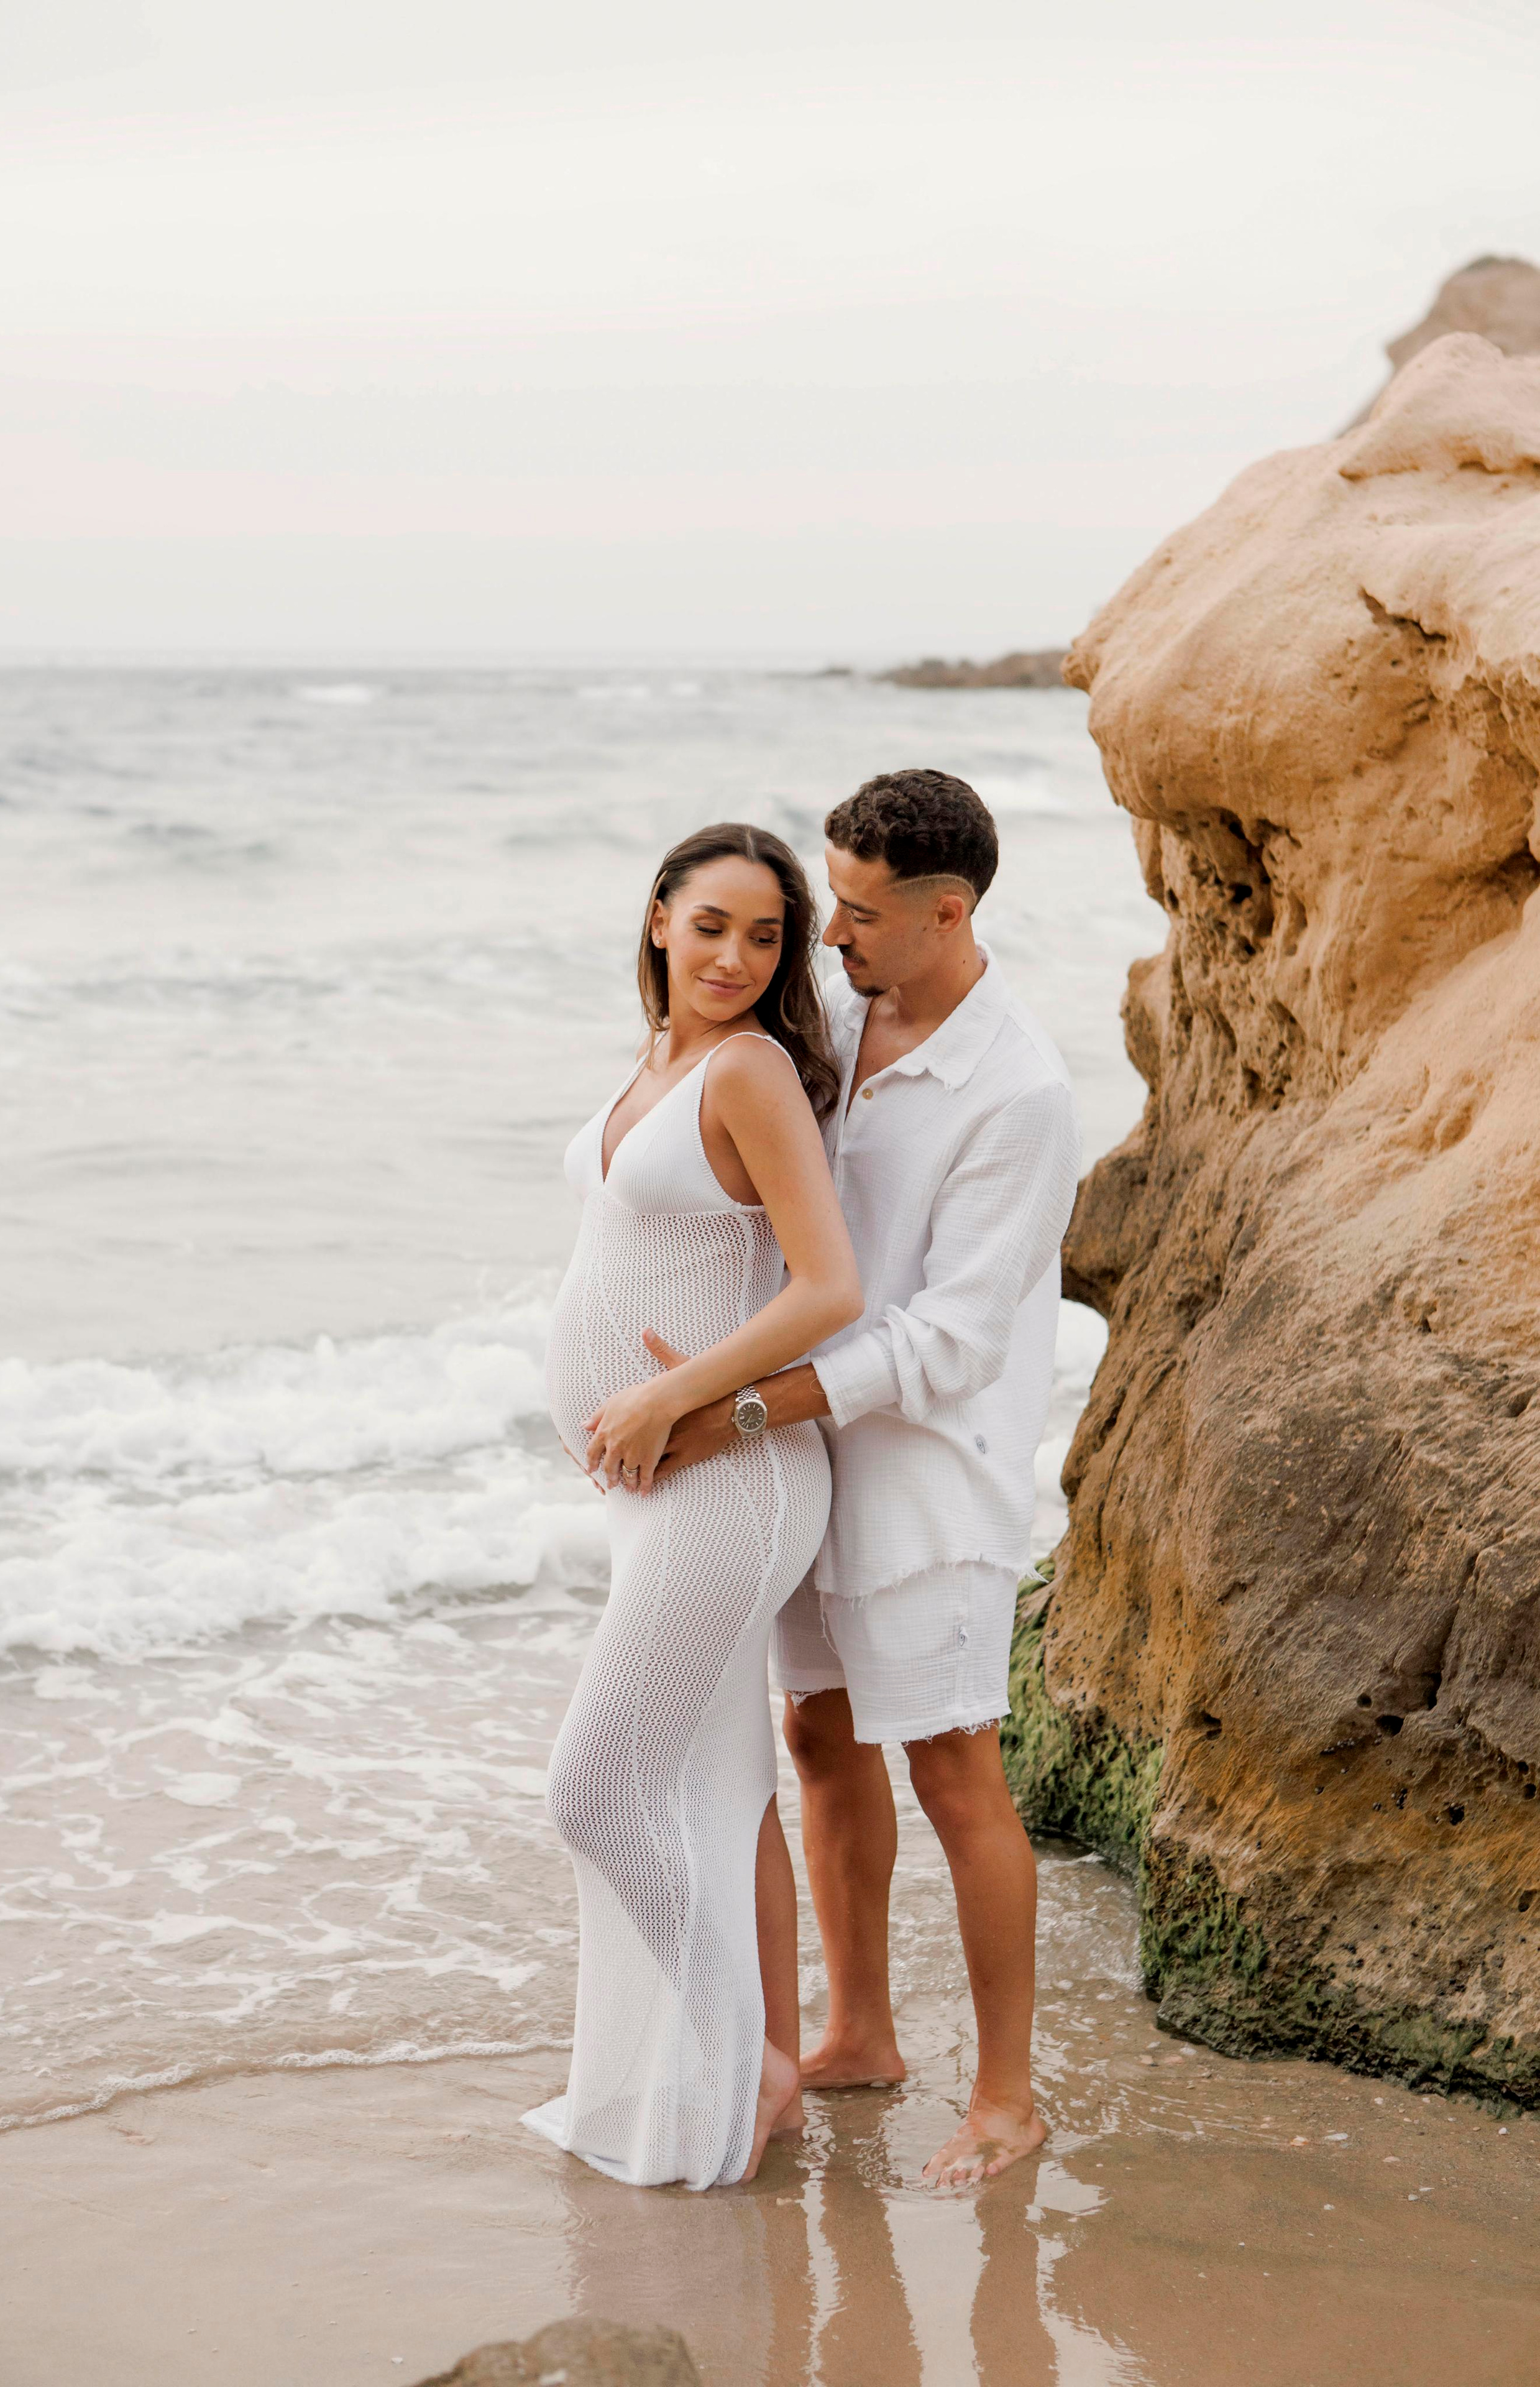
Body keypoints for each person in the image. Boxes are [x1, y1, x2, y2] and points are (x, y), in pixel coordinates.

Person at [651, 768, 1081, 2189]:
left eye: (854, 912)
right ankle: (861, 2032)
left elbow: (950, 1336)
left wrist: (747, 1407)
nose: (825, 934)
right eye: (826, 902)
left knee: (956, 1768)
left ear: (945, 912)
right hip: (804, 1463)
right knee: (820, 1745)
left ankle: (1008, 2098)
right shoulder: (837, 1019)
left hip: (928, 1480)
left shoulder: (1016, 1090)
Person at [523, 821, 861, 2192]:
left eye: (768, 936)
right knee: (714, 1790)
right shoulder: (657, 1064)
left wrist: (674, 1400)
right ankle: (741, 2075)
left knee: (594, 1789)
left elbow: (826, 1287)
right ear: (658, 917)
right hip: (656, 1498)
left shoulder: (750, 1067)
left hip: (734, 1480)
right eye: (712, 924)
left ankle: (746, 2062)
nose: (737, 956)